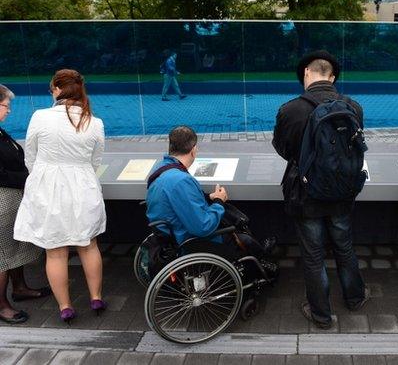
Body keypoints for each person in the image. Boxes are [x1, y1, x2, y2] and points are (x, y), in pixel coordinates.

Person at [272, 50, 370, 330]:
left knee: (313, 255)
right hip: (343, 191)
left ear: (306, 74)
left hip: (307, 196)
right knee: (345, 246)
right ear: (333, 77)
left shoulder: (291, 110)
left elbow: (283, 149)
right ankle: (354, 297)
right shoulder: (354, 107)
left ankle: (321, 315)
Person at [13, 70, 107, 324]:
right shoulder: (94, 122)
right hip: (83, 186)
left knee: (55, 251)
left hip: (48, 188)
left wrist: (44, 174)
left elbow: (29, 155)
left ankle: (65, 307)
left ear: (56, 89)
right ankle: (96, 297)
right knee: (89, 245)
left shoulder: (40, 117)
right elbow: (95, 160)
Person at [145, 126, 277, 268]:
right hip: (187, 240)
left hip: (167, 234)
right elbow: (203, 226)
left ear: (171, 146)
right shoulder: (180, 180)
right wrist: (219, 202)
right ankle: (262, 260)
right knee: (243, 237)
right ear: (194, 150)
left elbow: (180, 201)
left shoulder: (160, 169)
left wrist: (208, 197)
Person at [0, 84, 52, 324]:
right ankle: (2, 305)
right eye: (6, 106)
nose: (9, 111)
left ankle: (20, 288)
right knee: (2, 256)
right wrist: (30, 178)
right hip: (2, 201)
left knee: (14, 247)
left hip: (12, 199)